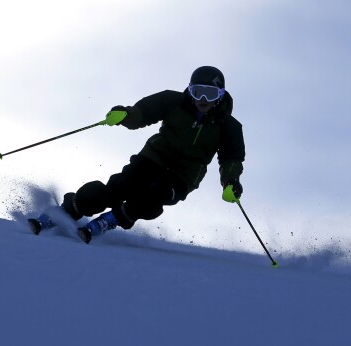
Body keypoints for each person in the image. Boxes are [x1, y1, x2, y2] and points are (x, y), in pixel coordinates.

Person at [29, 66, 246, 243]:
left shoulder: (229, 127)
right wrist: (124, 115)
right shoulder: (173, 101)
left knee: (152, 199)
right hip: (152, 159)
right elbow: (143, 112)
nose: (203, 99)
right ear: (190, 91)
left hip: (183, 177)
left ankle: (111, 220)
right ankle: (68, 210)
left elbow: (231, 158)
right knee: (118, 188)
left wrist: (230, 181)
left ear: (220, 95)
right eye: (198, 92)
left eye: (211, 94)